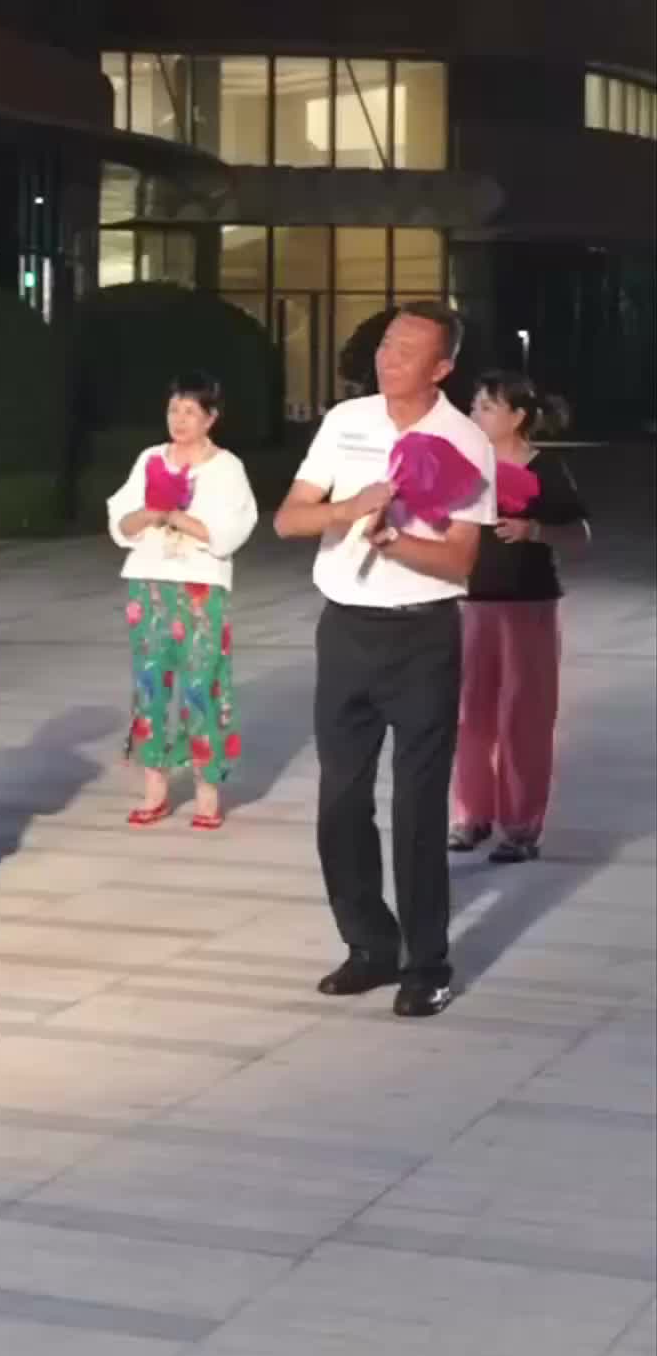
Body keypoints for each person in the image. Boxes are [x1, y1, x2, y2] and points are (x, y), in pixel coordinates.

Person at [274, 298, 494, 1017]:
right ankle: (369, 944)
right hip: (344, 632)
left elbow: (460, 561)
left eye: (406, 350)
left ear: (442, 367)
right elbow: (289, 518)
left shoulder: (465, 442)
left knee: (419, 807)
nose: (388, 358)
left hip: (423, 639)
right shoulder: (347, 421)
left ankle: (427, 964)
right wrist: (347, 510)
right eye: (386, 344)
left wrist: (394, 540)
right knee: (341, 800)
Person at [106, 377, 260, 832]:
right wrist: (148, 514)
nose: (179, 420)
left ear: (211, 418)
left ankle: (207, 793)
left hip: (200, 586)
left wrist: (177, 517)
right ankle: (155, 789)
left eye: (190, 411)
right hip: (149, 583)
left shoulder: (226, 468)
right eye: (174, 409)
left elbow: (233, 528)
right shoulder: (150, 459)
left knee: (202, 684)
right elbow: (122, 521)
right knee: (150, 683)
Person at [451, 372, 588, 865]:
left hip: (529, 605)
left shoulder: (545, 468)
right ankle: (470, 816)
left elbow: (579, 535)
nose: (475, 414)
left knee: (523, 717)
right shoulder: (465, 465)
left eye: (486, 407)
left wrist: (533, 530)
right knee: (469, 716)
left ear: (517, 417)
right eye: (474, 406)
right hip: (471, 604)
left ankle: (521, 826)